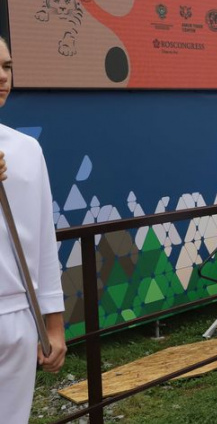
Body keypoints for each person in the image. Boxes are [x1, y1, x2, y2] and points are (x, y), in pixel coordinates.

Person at [0, 37, 67, 424]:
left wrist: (53, 326)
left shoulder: (27, 149)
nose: (2, 76)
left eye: (7, 66)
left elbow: (43, 242)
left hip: (18, 319)